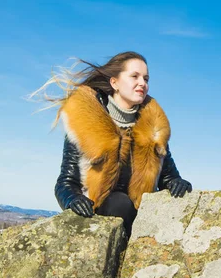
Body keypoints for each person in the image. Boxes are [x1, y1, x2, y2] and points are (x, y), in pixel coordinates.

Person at [36, 51, 192, 236]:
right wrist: (73, 199)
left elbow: (168, 177)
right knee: (119, 202)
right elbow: (66, 183)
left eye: (146, 78)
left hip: (141, 218)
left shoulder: (152, 129)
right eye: (134, 76)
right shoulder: (86, 124)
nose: (142, 83)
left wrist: (178, 184)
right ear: (114, 82)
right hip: (100, 215)